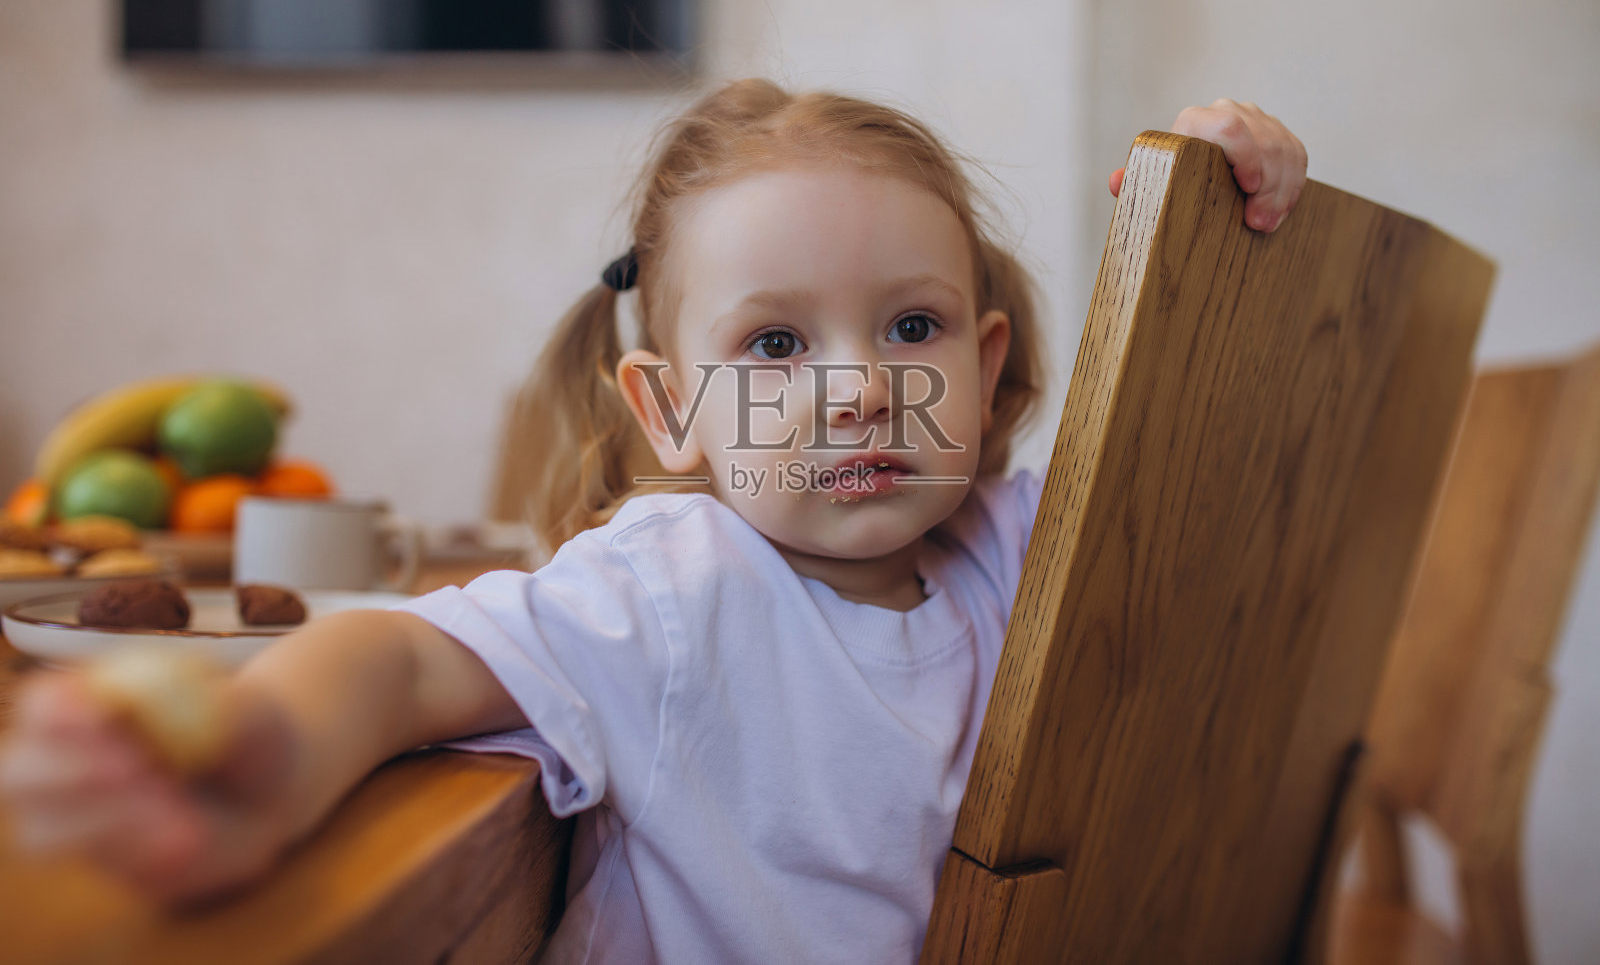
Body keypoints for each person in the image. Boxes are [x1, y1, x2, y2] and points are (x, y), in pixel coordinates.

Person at [0, 80, 1307, 963]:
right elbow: (399, 661)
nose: (857, 390)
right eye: (777, 344)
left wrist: (1245, 240)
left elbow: (1236, 497)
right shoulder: (675, 589)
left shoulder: (1019, 548)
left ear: (983, 353)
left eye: (912, 327)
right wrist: (254, 755)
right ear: (670, 410)